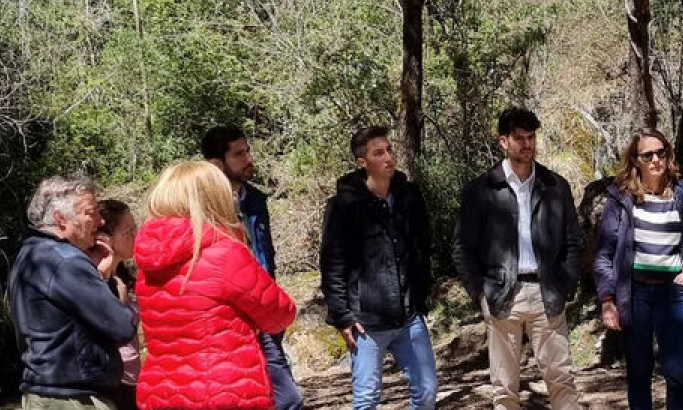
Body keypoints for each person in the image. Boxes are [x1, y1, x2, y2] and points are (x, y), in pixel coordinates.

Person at [134, 161, 296, 410]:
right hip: (225, 391)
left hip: (161, 393)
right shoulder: (224, 252)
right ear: (214, 198)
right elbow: (280, 314)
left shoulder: (147, 261)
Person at [453, 107, 583, 410]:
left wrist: (566, 284)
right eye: (519, 138)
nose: (527, 144)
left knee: (562, 380)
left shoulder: (555, 186)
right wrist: (479, 292)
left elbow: (574, 241)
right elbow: (462, 247)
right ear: (503, 142)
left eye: (531, 137)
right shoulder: (481, 190)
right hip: (501, 296)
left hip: (547, 294)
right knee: (504, 389)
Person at [320, 126, 438, 410]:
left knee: (427, 390)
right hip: (366, 323)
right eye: (379, 153)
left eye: (389, 150)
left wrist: (421, 294)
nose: (388, 157)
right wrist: (342, 316)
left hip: (409, 316)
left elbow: (422, 246)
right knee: (367, 399)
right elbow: (332, 264)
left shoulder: (409, 196)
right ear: (363, 163)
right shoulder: (343, 206)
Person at [594, 129, 683, 410]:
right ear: (636, 160)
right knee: (638, 373)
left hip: (675, 292)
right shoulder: (621, 199)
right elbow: (604, 254)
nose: (656, 159)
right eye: (648, 155)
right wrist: (608, 300)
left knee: (678, 373)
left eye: (661, 153)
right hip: (634, 294)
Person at [9, 176, 137, 410]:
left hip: (45, 393)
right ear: (61, 219)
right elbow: (122, 326)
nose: (100, 222)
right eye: (91, 213)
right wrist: (111, 287)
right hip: (73, 399)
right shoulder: (66, 262)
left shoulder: (30, 253)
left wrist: (103, 275)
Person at [201, 126, 304, 410]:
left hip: (262, 311)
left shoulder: (256, 201)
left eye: (248, 151)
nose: (248, 159)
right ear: (216, 163)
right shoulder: (200, 209)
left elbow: (265, 256)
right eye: (239, 154)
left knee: (286, 398)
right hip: (228, 320)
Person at [95, 200, 141, 410]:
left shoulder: (122, 274)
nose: (136, 236)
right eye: (128, 231)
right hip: (113, 382)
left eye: (135, 228)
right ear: (105, 239)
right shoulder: (94, 279)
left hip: (132, 379)